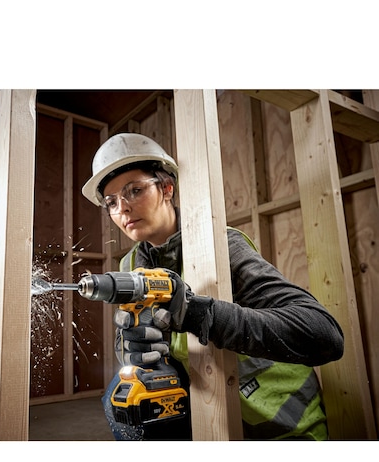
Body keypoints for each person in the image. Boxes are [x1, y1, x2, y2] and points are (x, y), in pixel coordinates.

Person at [81, 132, 344, 441]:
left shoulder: (221, 245)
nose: (122, 209)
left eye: (135, 190)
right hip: (209, 412)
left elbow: (324, 335)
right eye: (111, 202)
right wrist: (132, 350)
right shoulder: (129, 266)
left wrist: (200, 314)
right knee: (121, 398)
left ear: (167, 188)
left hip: (282, 419)